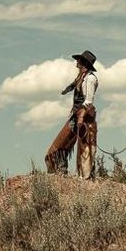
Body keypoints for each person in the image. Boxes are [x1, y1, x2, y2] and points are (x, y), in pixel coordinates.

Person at [45, 50, 98, 179]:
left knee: (78, 149)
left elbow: (89, 101)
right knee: (63, 146)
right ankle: (61, 172)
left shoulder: (90, 79)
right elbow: (74, 85)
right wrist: (66, 90)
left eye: (78, 60)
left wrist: (80, 117)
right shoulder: (82, 77)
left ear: (83, 62)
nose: (76, 62)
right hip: (77, 115)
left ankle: (63, 174)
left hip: (83, 117)